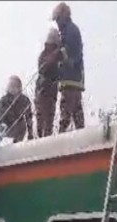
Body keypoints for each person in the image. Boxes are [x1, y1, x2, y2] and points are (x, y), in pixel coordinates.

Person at [52, 2, 85, 133]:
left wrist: (57, 54)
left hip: (71, 78)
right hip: (72, 79)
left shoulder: (70, 31)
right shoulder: (68, 30)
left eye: (57, 19)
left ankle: (61, 136)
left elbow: (70, 53)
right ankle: (82, 134)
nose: (57, 23)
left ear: (62, 16)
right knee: (76, 111)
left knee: (66, 109)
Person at [35, 28, 63, 139]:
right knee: (42, 119)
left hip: (52, 92)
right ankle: (41, 139)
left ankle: (46, 138)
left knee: (49, 119)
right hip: (43, 91)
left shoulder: (57, 54)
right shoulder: (43, 55)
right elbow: (43, 69)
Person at [0, 75, 34, 143]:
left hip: (18, 127)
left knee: (22, 126)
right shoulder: (3, 101)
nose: (13, 89)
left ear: (19, 87)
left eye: (15, 86)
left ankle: (17, 145)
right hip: (5, 126)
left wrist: (30, 134)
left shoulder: (24, 100)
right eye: (11, 86)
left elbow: (29, 118)